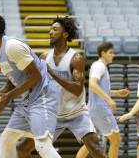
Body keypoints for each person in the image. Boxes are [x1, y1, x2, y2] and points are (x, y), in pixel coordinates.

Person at [16, 16, 107, 158]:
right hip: (51, 113)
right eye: (50, 29)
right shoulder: (44, 57)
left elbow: (77, 89)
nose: (50, 32)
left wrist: (52, 73)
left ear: (65, 34)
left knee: (95, 147)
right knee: (22, 148)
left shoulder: (76, 58)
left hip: (76, 113)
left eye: (55, 29)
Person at [0, 13, 61, 158]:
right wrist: (0, 93)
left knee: (43, 146)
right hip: (28, 100)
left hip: (43, 96)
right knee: (6, 139)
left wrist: (8, 96)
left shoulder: (12, 46)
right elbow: (15, 80)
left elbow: (35, 75)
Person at [76, 42, 130, 158]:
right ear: (103, 53)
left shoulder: (99, 66)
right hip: (101, 109)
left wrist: (116, 93)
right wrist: (109, 99)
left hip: (93, 109)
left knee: (90, 143)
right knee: (116, 140)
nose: (113, 55)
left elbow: (98, 88)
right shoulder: (99, 66)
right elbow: (92, 84)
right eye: (110, 53)